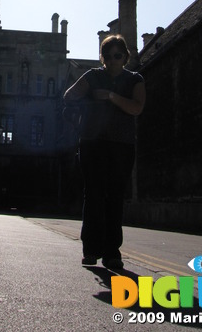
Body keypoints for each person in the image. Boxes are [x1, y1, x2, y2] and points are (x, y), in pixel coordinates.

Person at [63, 34, 146, 270]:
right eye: (107, 56)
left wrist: (111, 97)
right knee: (94, 195)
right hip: (92, 142)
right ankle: (90, 249)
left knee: (115, 198)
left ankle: (112, 252)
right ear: (103, 58)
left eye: (117, 56)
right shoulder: (93, 76)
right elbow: (69, 96)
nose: (112, 60)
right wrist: (86, 104)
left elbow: (137, 107)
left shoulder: (134, 79)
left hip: (121, 146)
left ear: (125, 57)